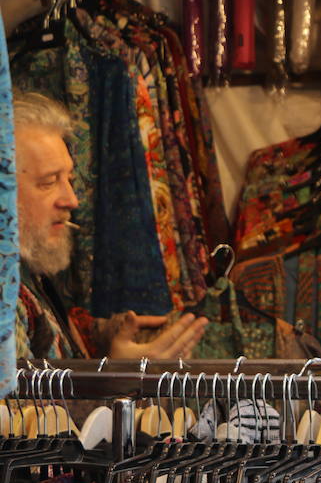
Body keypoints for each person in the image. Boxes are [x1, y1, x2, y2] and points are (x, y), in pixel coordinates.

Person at [12, 90, 207, 359]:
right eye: (48, 182)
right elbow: (14, 402)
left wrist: (112, 360)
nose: (71, 200)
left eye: (68, 179)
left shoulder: (28, 273)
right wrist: (117, 379)